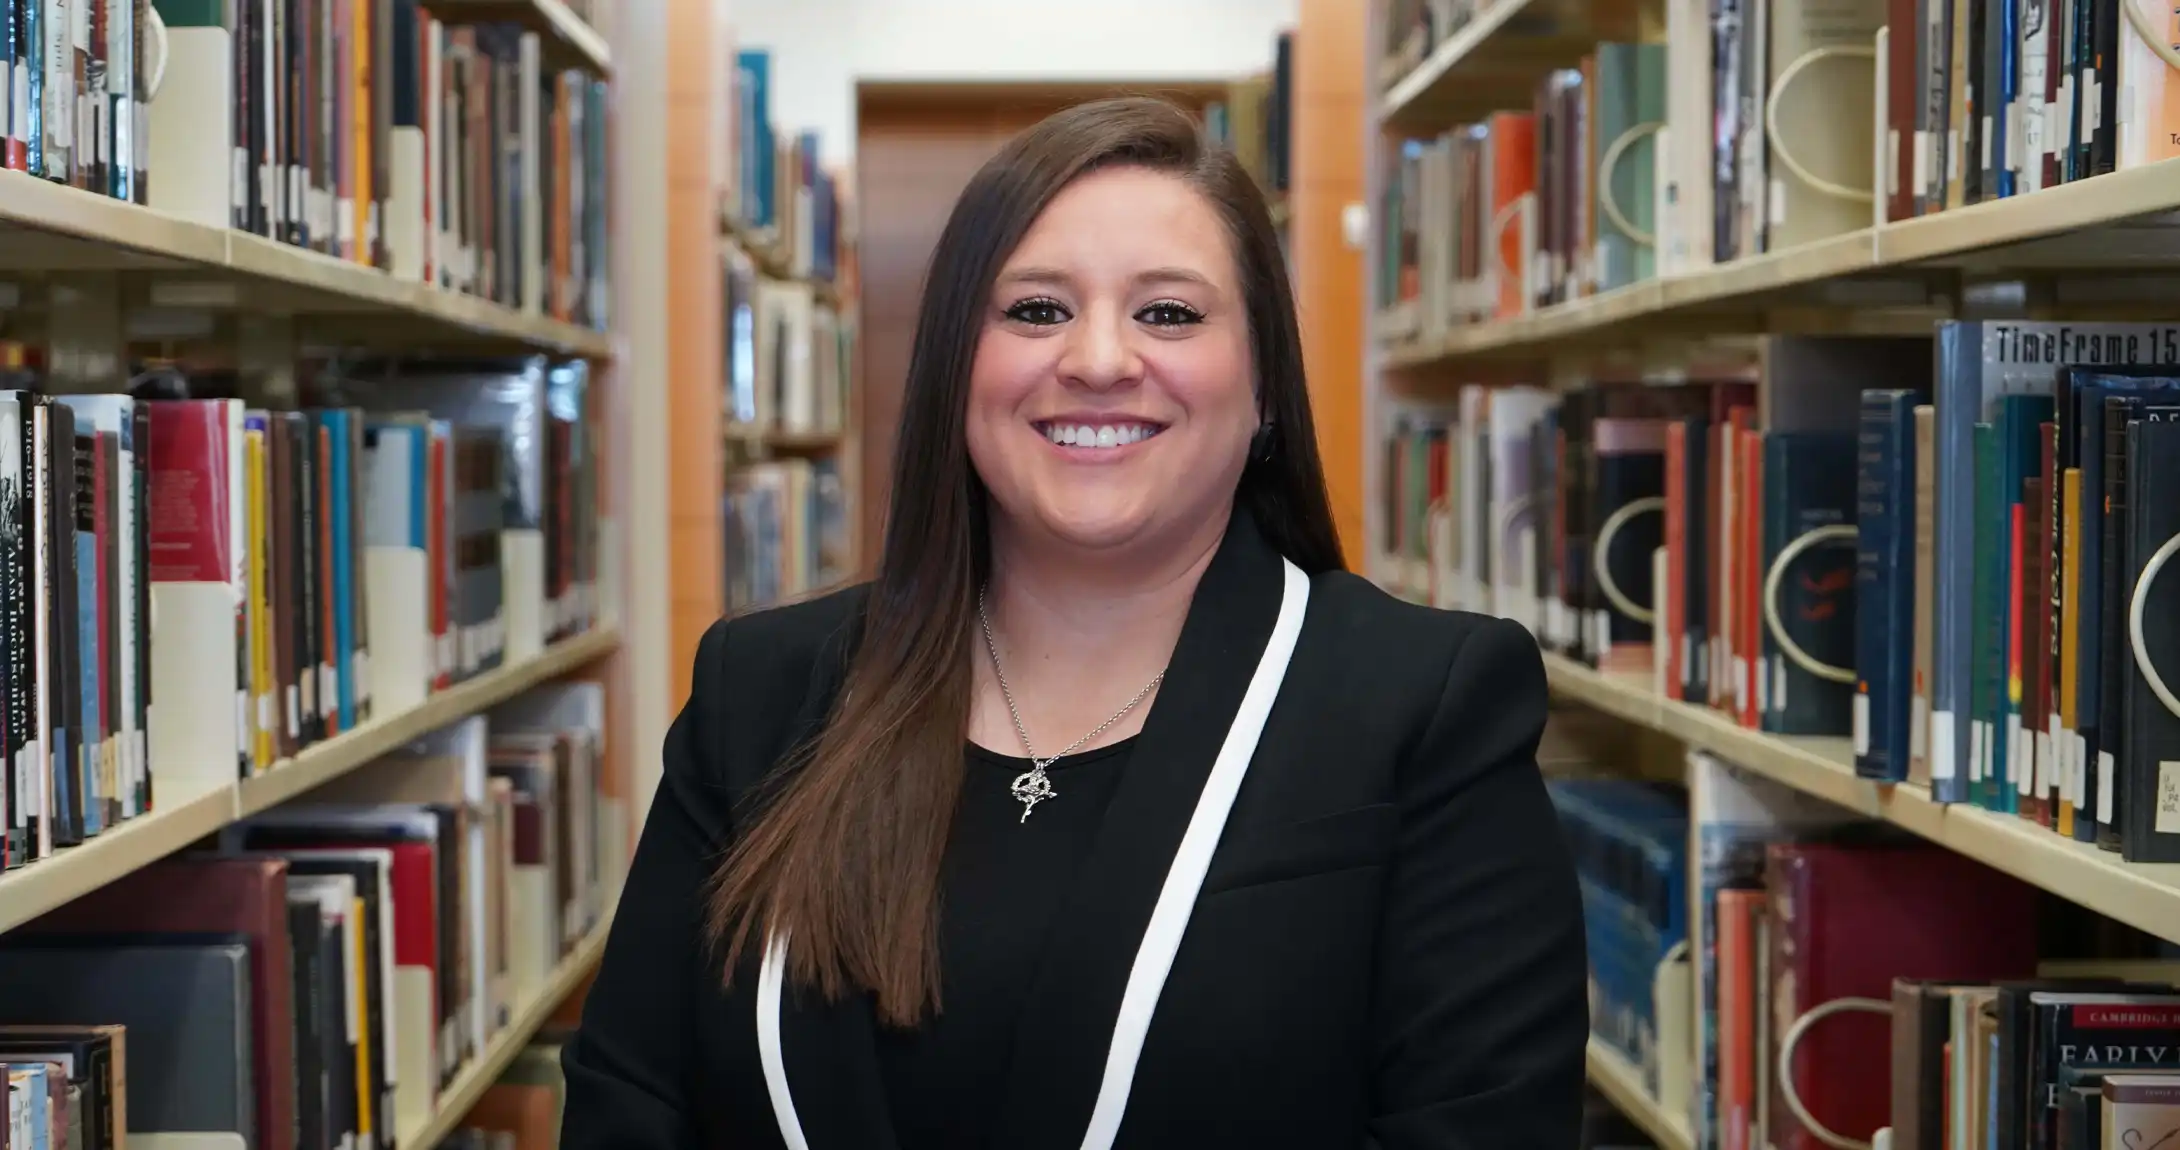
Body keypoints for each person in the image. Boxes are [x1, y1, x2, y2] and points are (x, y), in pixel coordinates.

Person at [559, 95, 1589, 1150]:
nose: (1097, 359)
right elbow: (630, 1104)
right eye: (1036, 310)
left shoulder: (1424, 706)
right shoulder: (761, 691)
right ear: (956, 366)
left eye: (1169, 314)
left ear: (1265, 381)